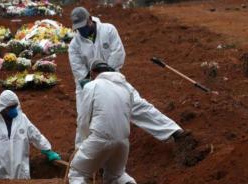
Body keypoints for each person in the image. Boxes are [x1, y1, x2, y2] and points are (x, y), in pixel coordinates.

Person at [68, 6, 192, 144]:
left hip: (113, 76)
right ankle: (81, 154)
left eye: (83, 27)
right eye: (78, 29)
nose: (81, 31)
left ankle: (173, 131)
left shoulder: (108, 30)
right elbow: (80, 74)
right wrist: (96, 82)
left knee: (136, 104)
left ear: (90, 19)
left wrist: (106, 75)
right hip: (88, 87)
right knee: (85, 119)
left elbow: (118, 54)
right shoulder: (74, 45)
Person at [69, 61, 150, 184]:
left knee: (77, 173)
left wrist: (81, 145)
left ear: (93, 73)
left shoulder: (92, 86)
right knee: (116, 175)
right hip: (123, 141)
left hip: (100, 137)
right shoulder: (125, 88)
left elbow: (84, 119)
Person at [0, 90, 61, 179]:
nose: (14, 110)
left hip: (21, 175)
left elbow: (35, 135)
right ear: (3, 107)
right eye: (10, 107)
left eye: (15, 106)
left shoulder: (22, 119)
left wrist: (48, 150)